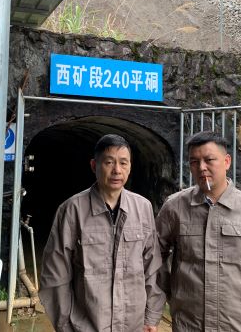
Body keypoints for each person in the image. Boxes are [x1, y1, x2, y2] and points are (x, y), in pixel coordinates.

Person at [156, 131, 241, 332]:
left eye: (209, 160)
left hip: (239, 324)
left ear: (226, 162)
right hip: (189, 323)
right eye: (194, 162)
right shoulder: (175, 207)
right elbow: (155, 259)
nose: (202, 167)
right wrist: (165, 301)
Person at [39, 134, 164, 332]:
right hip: (86, 326)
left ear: (130, 167)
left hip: (134, 325)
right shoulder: (72, 210)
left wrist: (151, 318)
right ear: (93, 165)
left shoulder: (143, 208)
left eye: (123, 163)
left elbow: (152, 268)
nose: (117, 170)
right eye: (109, 162)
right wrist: (65, 326)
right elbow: (56, 275)